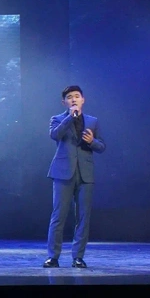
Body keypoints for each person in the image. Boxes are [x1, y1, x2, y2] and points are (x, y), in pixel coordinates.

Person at [44, 85, 105, 268]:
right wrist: (70, 117)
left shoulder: (93, 121)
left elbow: (102, 146)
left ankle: (78, 257)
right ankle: (53, 257)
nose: (73, 99)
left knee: (83, 217)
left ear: (83, 99)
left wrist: (92, 141)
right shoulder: (57, 119)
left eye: (77, 96)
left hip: (85, 174)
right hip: (63, 172)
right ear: (64, 102)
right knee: (58, 216)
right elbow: (55, 135)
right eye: (69, 97)